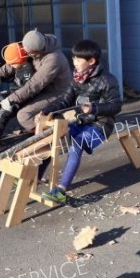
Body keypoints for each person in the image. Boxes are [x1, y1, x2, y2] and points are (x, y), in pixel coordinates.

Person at [35, 39, 122, 204]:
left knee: (76, 145)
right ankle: (36, 177)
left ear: (91, 61)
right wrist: (46, 111)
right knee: (53, 139)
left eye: (77, 59)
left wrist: (95, 108)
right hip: (81, 122)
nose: (73, 62)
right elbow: (65, 100)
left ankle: (61, 190)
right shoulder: (77, 78)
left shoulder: (108, 80)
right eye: (73, 58)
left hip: (101, 126)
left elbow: (116, 106)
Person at [4, 29, 72, 132]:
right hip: (44, 89)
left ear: (35, 51)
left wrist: (11, 99)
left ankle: (50, 134)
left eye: (27, 52)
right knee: (20, 103)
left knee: (23, 115)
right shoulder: (33, 44)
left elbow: (35, 84)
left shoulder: (53, 59)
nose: (25, 52)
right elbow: (16, 61)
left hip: (58, 93)